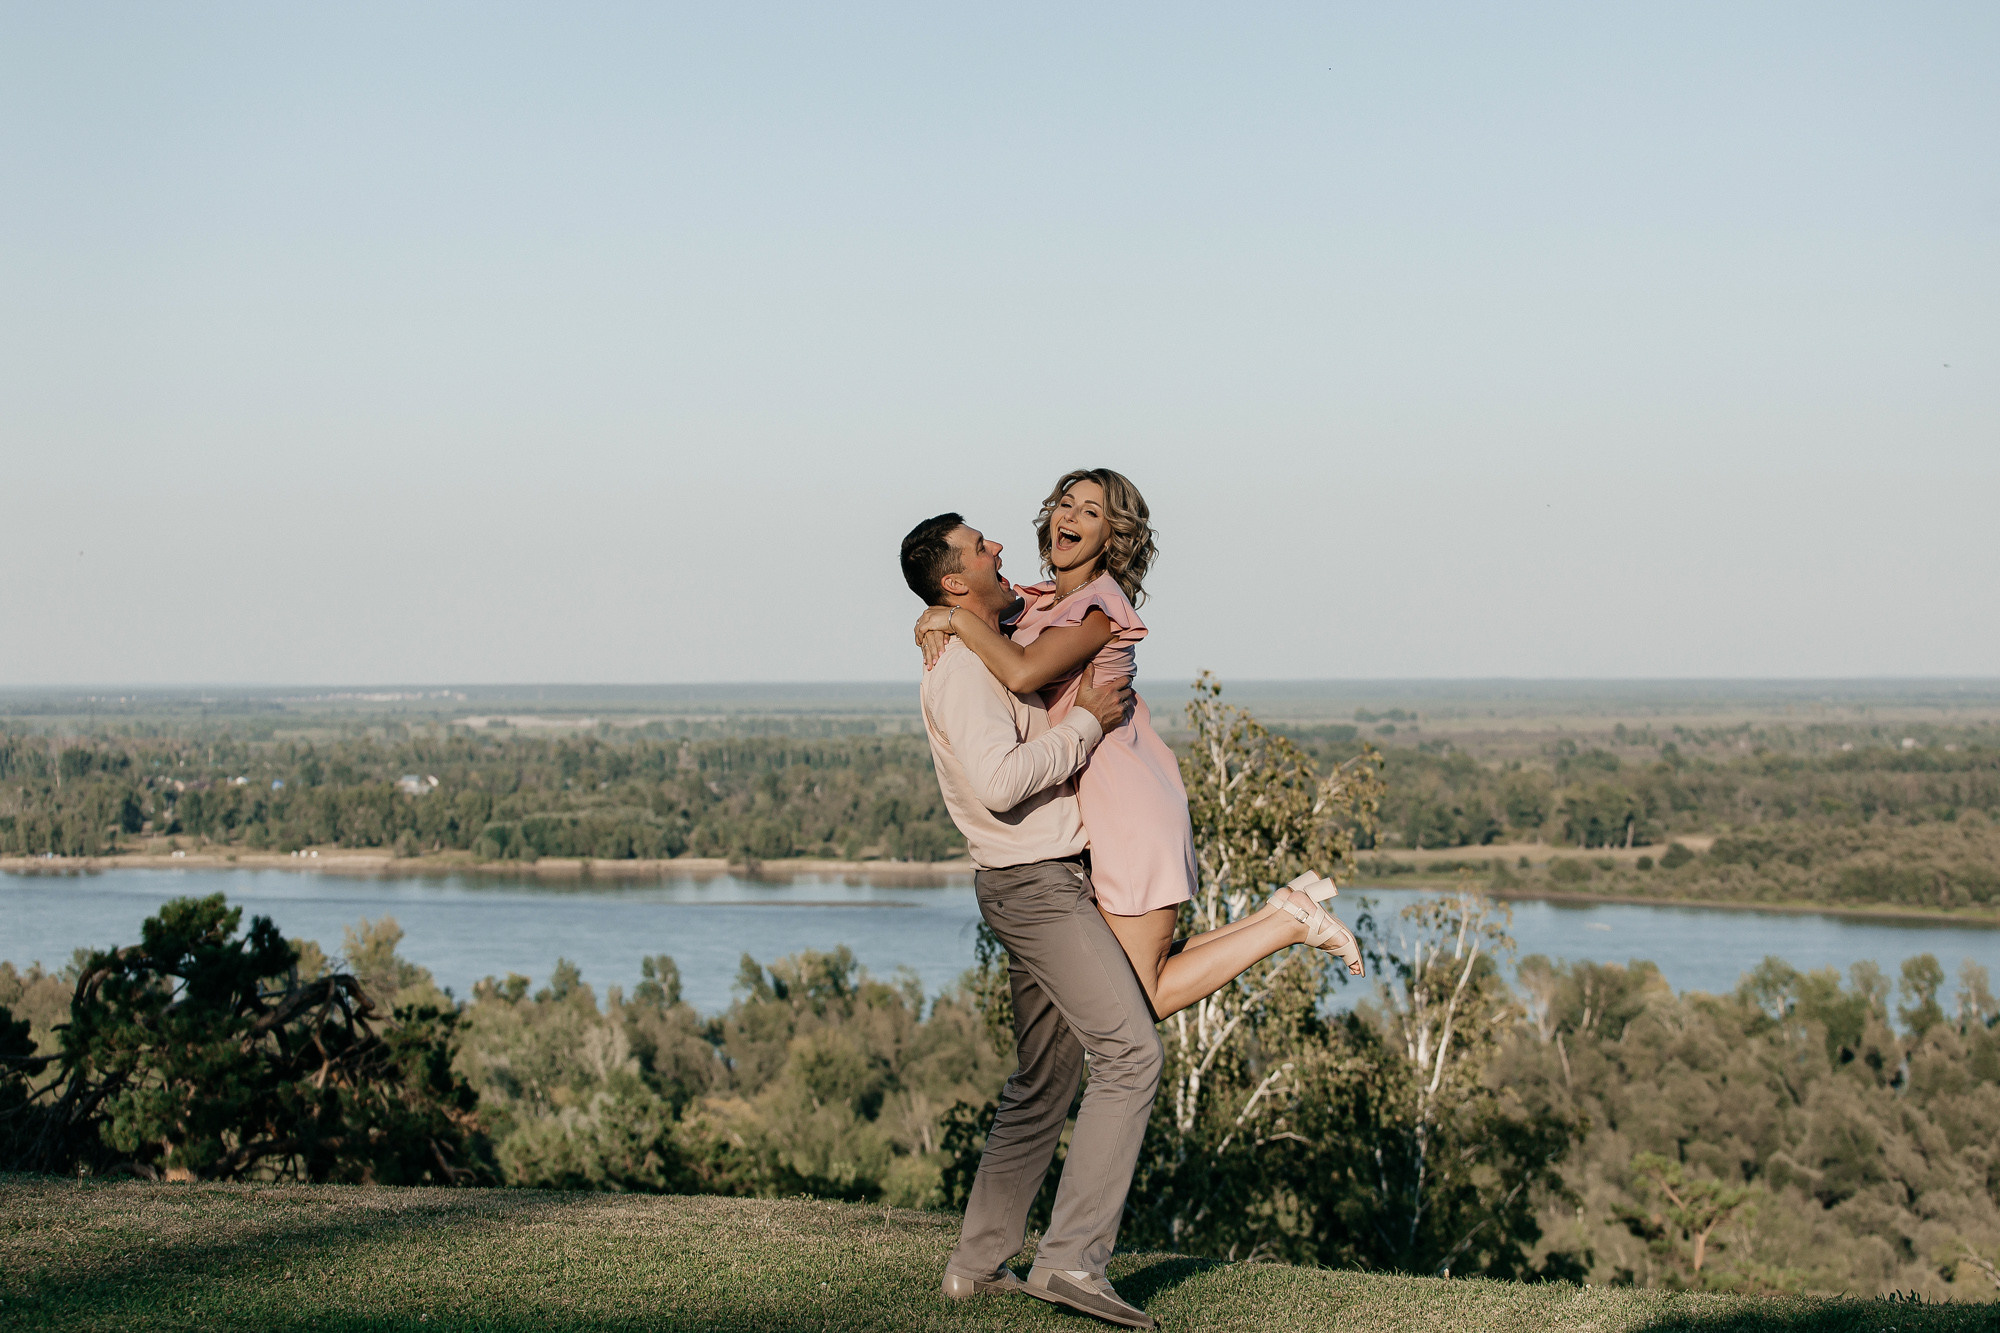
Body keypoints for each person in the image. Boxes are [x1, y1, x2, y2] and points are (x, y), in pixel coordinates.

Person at [913, 469, 1362, 1024]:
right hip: (1095, 803)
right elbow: (974, 603)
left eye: (1092, 512)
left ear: (1113, 538)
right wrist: (938, 616)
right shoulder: (1038, 600)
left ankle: (1286, 926)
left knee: (1138, 1000)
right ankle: (1281, 914)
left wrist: (950, 617)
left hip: (1125, 800)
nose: (1070, 516)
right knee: (1129, 978)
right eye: (1066, 503)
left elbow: (1023, 670)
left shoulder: (1100, 609)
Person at [901, 511, 1160, 1328]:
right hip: (1036, 887)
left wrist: (943, 616)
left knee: (1043, 1081)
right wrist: (1088, 721)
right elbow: (1001, 783)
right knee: (1131, 1052)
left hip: (1036, 881)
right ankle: (1072, 1261)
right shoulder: (961, 673)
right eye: (981, 547)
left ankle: (977, 1266)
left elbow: (1043, 603)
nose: (999, 548)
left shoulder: (982, 638)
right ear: (955, 578)